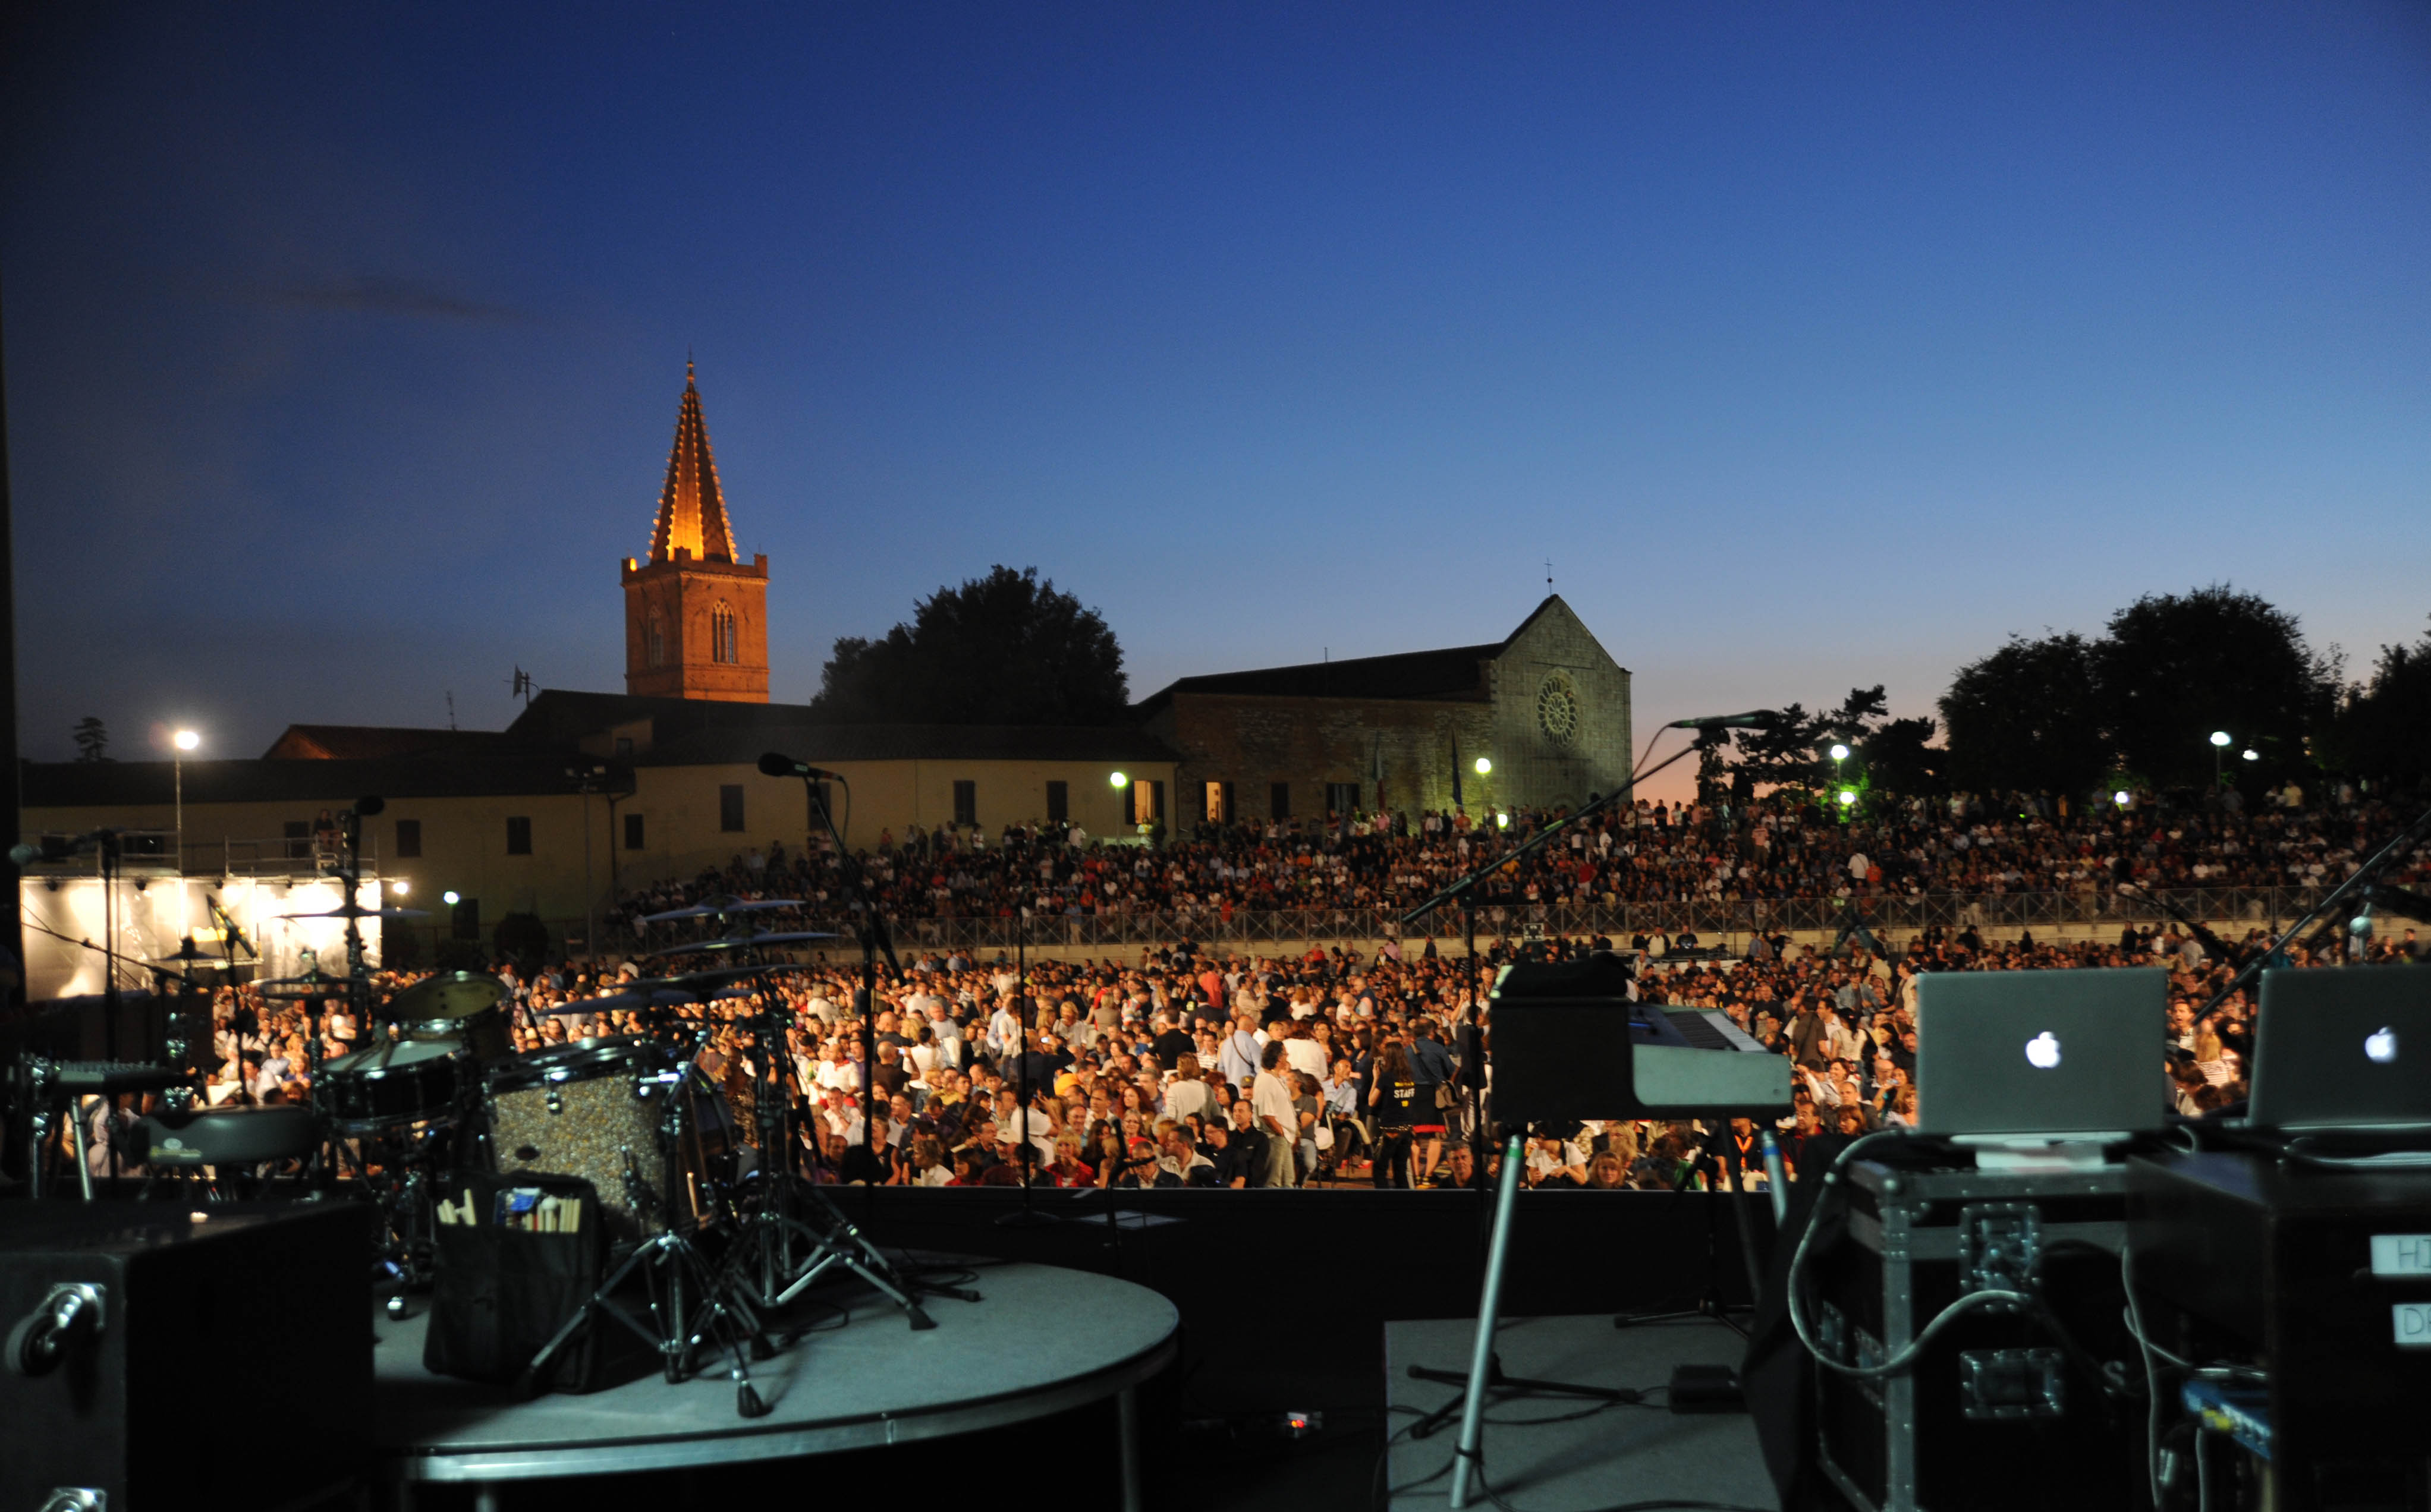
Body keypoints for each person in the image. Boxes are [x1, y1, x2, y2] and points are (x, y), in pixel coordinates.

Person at [1366, 1040, 1420, 1188]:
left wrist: (1376, 1078)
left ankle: (1384, 1198)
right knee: (1400, 1170)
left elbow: (1371, 1101)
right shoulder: (1410, 1076)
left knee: (1380, 1169)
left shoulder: (1386, 1077)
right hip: (1407, 1129)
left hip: (1390, 1130)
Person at [1251, 1041, 1298, 1189]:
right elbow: (1266, 1114)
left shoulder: (1275, 1078)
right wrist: (1281, 1133)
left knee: (1288, 1181)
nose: (1287, 1057)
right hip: (1276, 1138)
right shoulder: (1266, 1081)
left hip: (1283, 1137)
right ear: (1279, 1058)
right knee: (1274, 1182)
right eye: (1285, 1054)